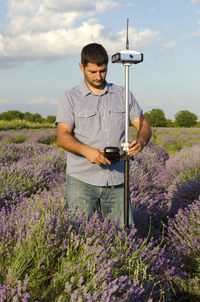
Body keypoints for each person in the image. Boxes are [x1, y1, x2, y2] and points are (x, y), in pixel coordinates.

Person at [56, 43, 152, 227]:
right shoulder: (70, 98)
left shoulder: (123, 94)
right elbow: (63, 136)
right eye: (92, 71)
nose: (98, 76)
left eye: (102, 71)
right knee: (80, 237)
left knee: (124, 236)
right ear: (81, 67)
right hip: (81, 181)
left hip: (117, 179)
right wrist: (87, 151)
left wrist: (141, 140)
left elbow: (143, 124)